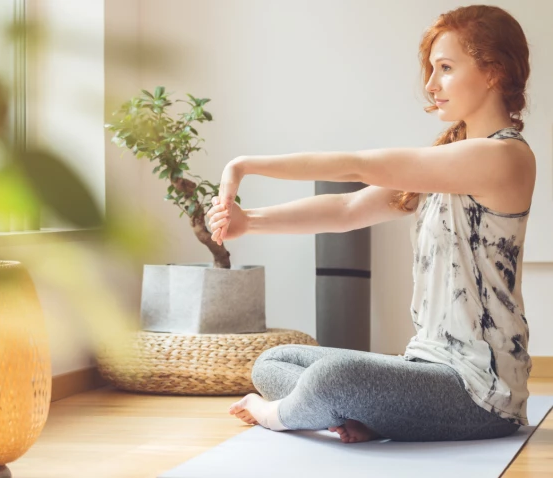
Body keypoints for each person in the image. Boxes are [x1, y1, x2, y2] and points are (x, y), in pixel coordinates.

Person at [205, 4, 534, 443]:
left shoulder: (503, 156)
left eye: (446, 68)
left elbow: (359, 165)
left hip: (479, 395)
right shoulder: (445, 165)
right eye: (431, 69)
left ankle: (281, 414)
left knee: (337, 377)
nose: (431, 84)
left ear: (492, 71)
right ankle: (353, 412)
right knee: (274, 361)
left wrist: (246, 164)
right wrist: (250, 222)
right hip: (424, 371)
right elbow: (347, 211)